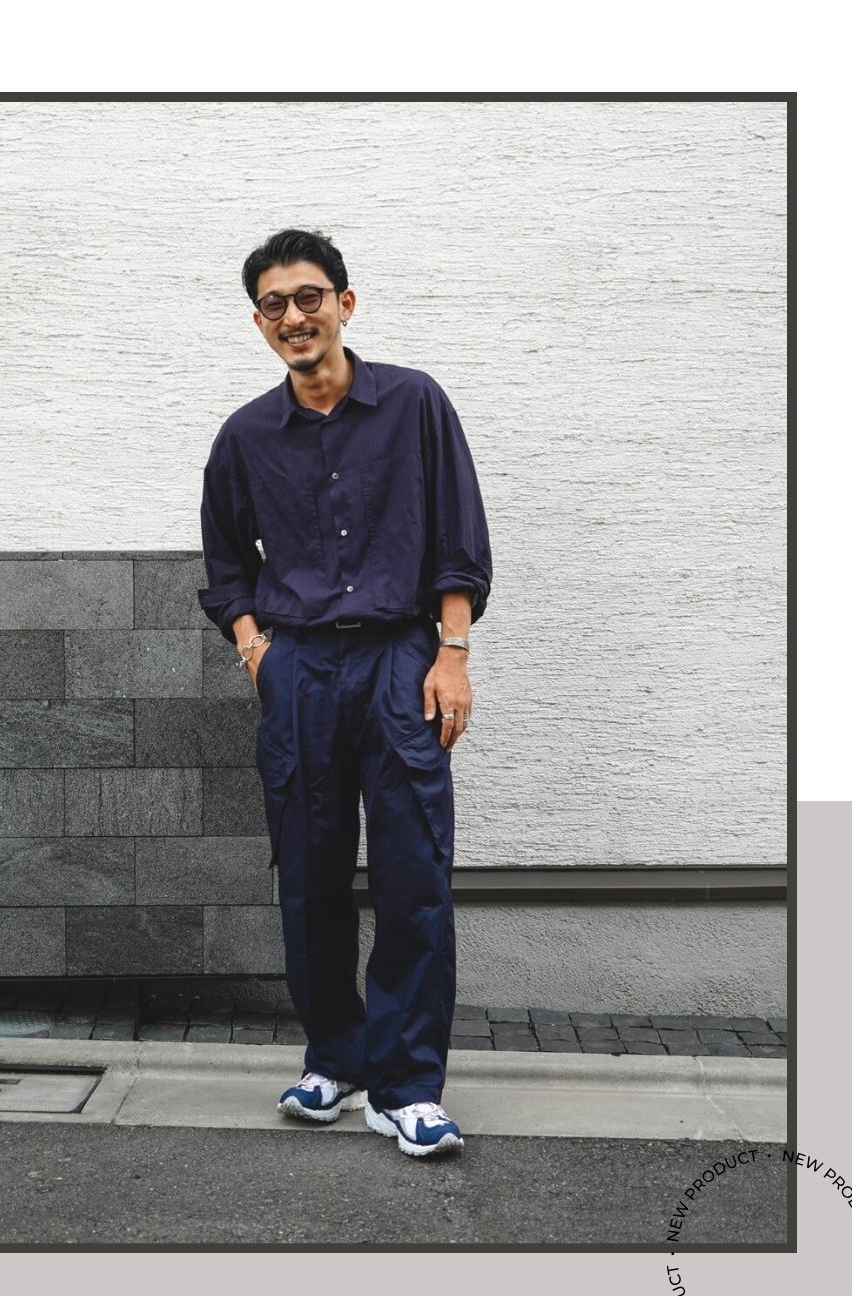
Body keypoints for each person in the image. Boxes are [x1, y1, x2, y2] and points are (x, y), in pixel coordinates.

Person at [197, 229, 492, 1159]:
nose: (294, 316)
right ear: (259, 322)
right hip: (301, 674)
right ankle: (335, 1057)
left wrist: (451, 653)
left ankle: (407, 1088)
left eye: (309, 297)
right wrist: (257, 651)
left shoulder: (414, 404)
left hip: (403, 659)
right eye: (274, 305)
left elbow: (457, 537)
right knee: (309, 876)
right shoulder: (245, 437)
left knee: (413, 879)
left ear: (345, 304)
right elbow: (224, 565)